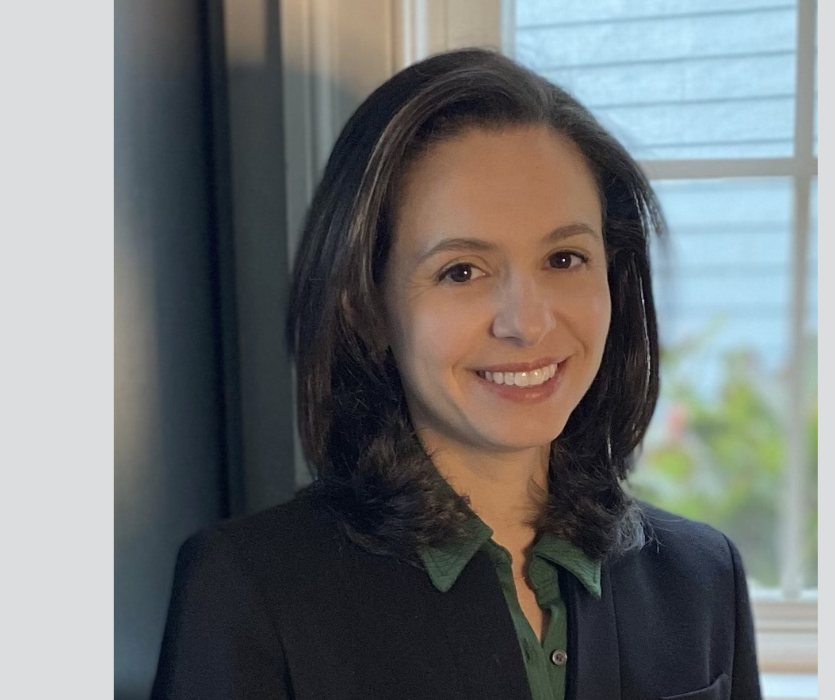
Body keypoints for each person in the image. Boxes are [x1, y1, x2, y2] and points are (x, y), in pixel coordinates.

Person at [151, 48, 761, 700]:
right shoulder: (251, 591)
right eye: (462, 271)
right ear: (366, 308)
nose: (527, 323)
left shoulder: (704, 579)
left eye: (564, 257)